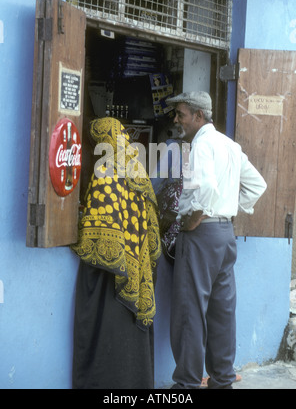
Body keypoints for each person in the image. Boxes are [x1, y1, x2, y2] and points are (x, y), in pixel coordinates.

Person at [166, 91, 267, 389]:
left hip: (201, 234)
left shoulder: (201, 144)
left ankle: (186, 384)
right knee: (223, 311)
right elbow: (256, 185)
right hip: (224, 235)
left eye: (180, 114)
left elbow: (206, 187)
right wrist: (230, 209)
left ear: (199, 116)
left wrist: (195, 218)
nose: (176, 120)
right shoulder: (229, 145)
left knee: (189, 310)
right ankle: (222, 380)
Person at [70, 117, 161, 389]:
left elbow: (96, 232)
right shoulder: (138, 170)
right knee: (130, 332)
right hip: (137, 268)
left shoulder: (105, 171)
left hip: (108, 275)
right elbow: (153, 232)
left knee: (105, 330)